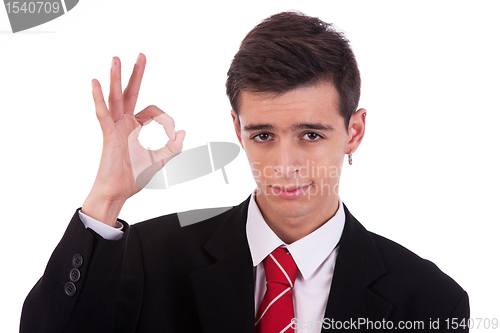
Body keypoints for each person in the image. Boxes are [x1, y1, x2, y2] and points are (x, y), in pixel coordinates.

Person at [20, 11, 469, 333]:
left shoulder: (430, 301)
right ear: (237, 129)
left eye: (311, 135)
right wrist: (105, 199)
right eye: (263, 135)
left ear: (354, 132)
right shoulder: (146, 258)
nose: (284, 165)